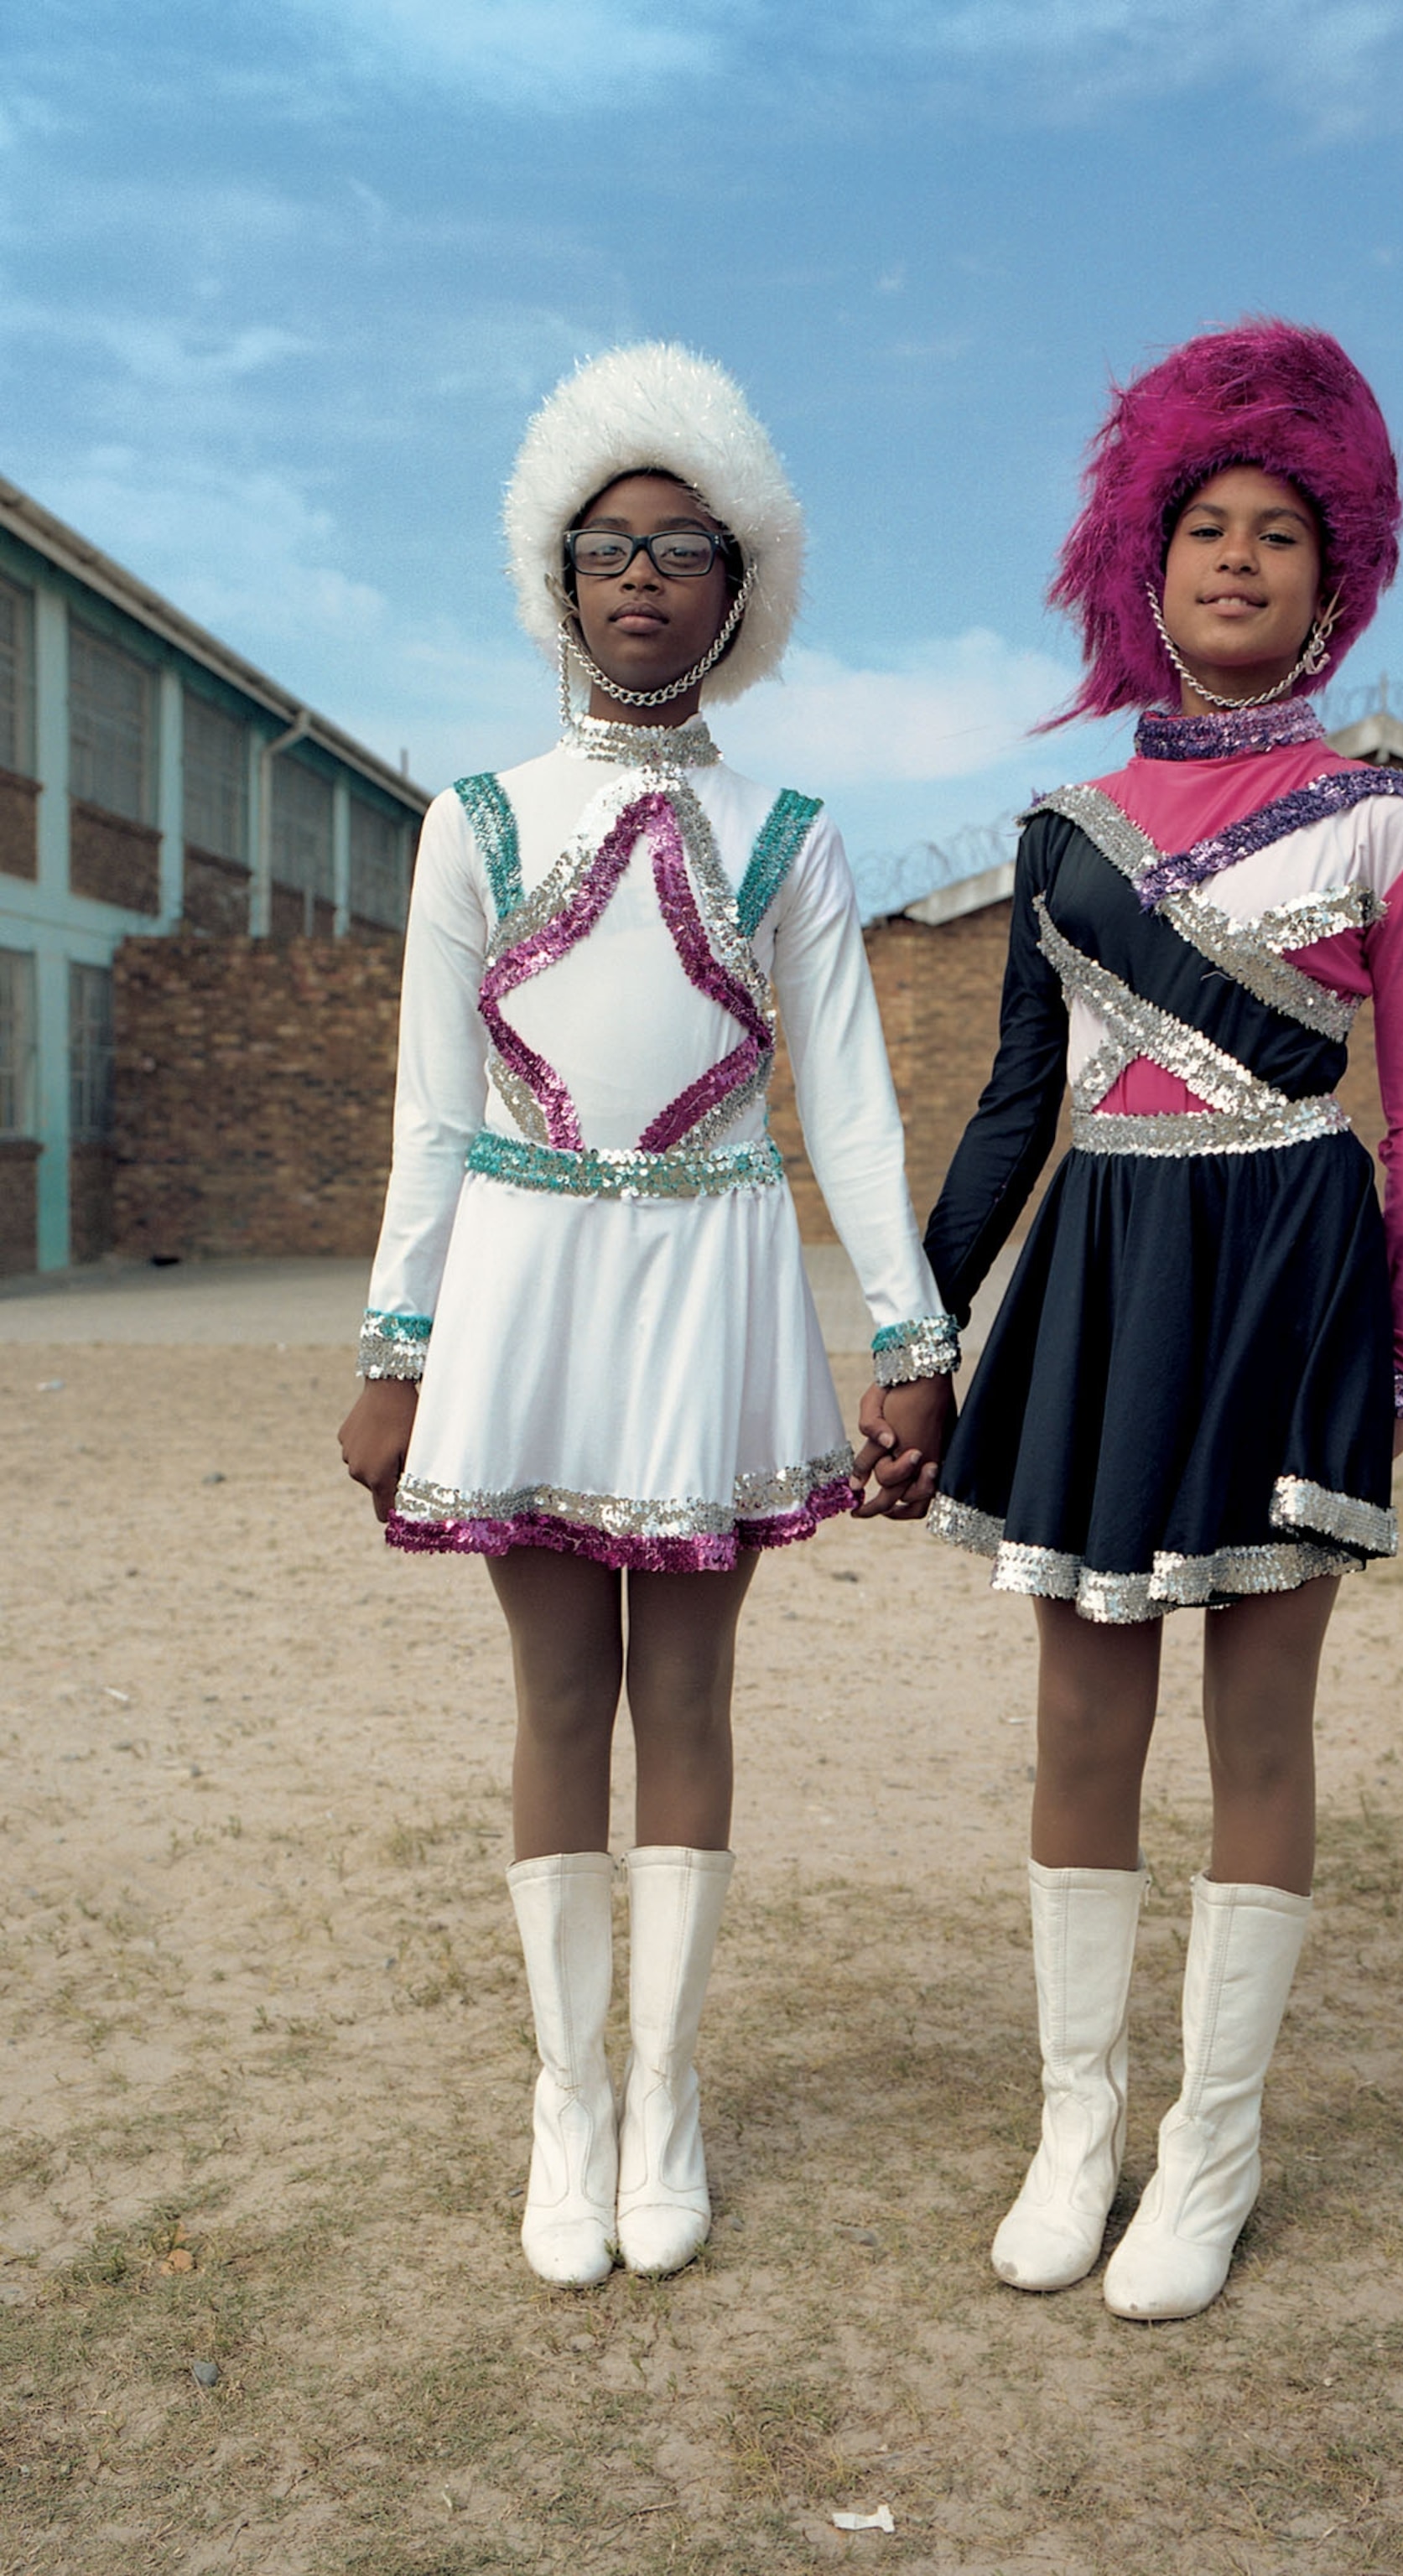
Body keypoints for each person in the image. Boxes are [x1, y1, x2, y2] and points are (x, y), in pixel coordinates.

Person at [864, 319, 1403, 2320]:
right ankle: (1074, 2130)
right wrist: (917, 1327)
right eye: (1204, 524)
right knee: (1079, 1713)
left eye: (1278, 531)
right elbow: (1014, 1107)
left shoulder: (1393, 824)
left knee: (1262, 1719)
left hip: (1294, 1264)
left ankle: (1211, 2153)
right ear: (1147, 562)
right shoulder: (1064, 837)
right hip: (1104, 1275)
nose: (1237, 557)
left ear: (1335, 572)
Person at [339, 342, 958, 2288]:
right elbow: (436, 1108)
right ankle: (568, 2101)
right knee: (554, 1696)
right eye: (608, 547)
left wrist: (910, 1336)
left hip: (712, 1278)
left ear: (740, 589)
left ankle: (668, 2090)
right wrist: (392, 1343)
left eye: (685, 548)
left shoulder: (793, 838)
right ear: (557, 580)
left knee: (687, 1694)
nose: (643, 578)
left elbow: (848, 1103)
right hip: (525, 1283)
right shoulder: (478, 821)